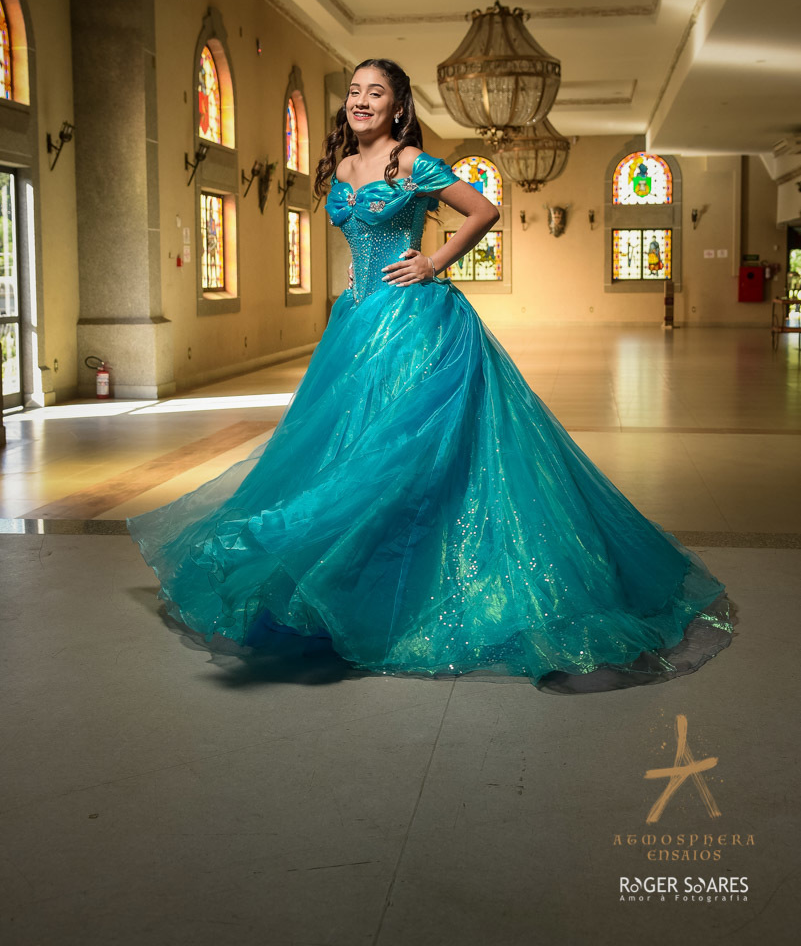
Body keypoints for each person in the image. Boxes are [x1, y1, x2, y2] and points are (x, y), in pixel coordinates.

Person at [127, 58, 734, 692]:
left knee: (410, 448)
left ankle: (408, 581)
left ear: (397, 107)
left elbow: (483, 210)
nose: (362, 101)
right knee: (352, 446)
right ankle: (343, 572)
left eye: (376, 93)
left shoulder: (413, 162)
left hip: (417, 319)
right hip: (357, 323)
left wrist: (434, 262)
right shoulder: (341, 168)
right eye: (355, 92)